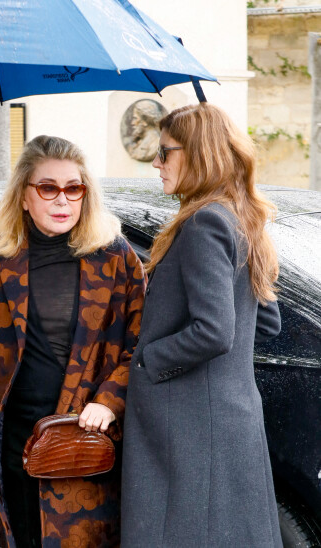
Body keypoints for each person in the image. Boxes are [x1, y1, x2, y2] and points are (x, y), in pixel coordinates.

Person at [0, 135, 147, 548]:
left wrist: (109, 401)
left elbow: (144, 344)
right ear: (25, 196)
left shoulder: (116, 258)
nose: (62, 200)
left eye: (74, 188)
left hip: (88, 442)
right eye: (48, 188)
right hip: (14, 442)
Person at [121, 103, 282, 547]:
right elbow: (266, 321)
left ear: (199, 154)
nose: (156, 162)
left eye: (165, 152)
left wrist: (149, 361)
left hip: (189, 429)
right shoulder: (239, 219)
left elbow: (214, 331)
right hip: (227, 420)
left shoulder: (205, 223)